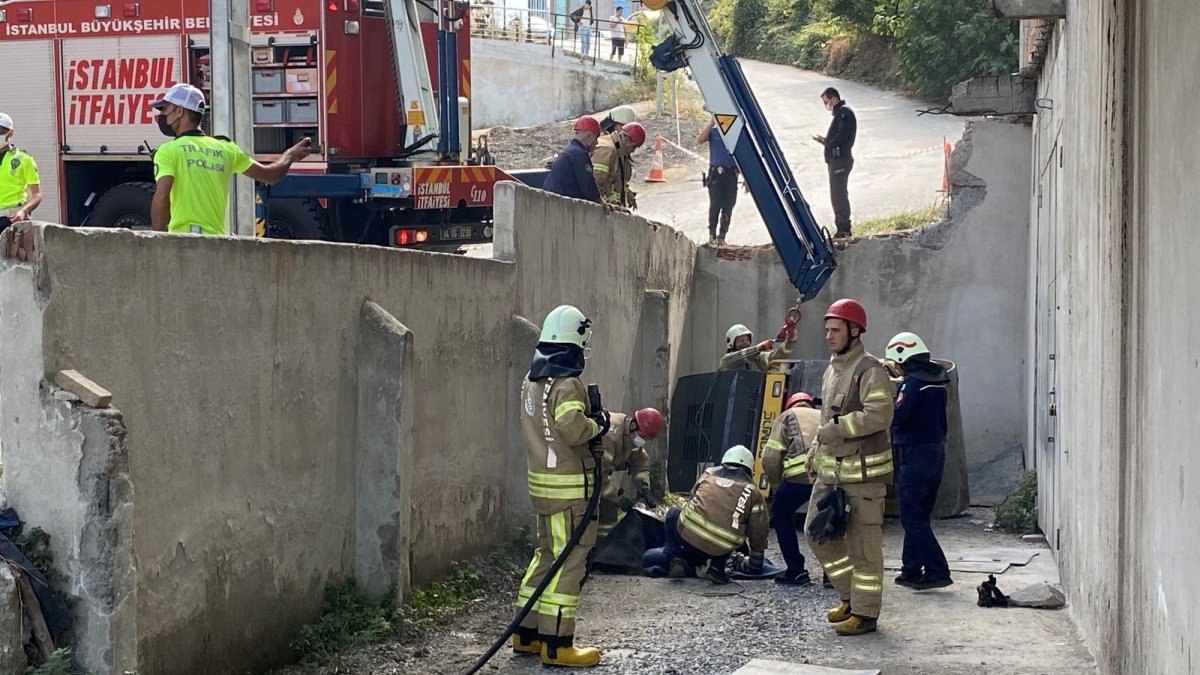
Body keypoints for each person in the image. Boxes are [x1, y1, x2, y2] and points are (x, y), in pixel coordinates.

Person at [514, 304, 610, 667]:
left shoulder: (532, 379)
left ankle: (527, 634)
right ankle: (557, 645)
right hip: (570, 493)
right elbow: (571, 428)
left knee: (546, 556)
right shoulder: (567, 383)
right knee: (569, 562)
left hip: (543, 489)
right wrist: (597, 425)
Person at [804, 298, 895, 636]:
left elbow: (880, 415)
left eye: (835, 330)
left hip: (864, 479)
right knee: (817, 534)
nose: (828, 336)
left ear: (855, 331)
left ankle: (866, 614)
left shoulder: (870, 370)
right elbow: (827, 419)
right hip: (832, 474)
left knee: (863, 548)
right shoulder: (833, 370)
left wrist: (839, 429)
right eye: (826, 330)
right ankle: (849, 598)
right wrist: (815, 449)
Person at [150, 83, 310, 235]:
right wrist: (290, 155)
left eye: (165, 109)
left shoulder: (168, 150)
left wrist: (158, 243)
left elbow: (162, 197)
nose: (161, 116)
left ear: (179, 111)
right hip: (217, 244)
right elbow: (271, 175)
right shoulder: (226, 148)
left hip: (183, 242)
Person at [886, 331, 953, 591]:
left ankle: (937, 570)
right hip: (935, 453)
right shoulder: (936, 382)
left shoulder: (912, 385)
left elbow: (898, 416)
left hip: (915, 455)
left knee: (912, 518)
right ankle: (911, 569)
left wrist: (890, 399)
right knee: (919, 515)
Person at [647, 445, 769, 585]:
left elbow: (692, 501)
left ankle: (677, 558)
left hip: (688, 539)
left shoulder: (708, 474)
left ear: (724, 461)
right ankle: (717, 568)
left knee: (673, 513)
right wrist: (756, 563)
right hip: (721, 549)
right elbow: (759, 531)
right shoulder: (753, 491)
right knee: (731, 535)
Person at [762, 391, 821, 586]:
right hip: (826, 476)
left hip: (799, 477)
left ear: (791, 405)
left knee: (780, 514)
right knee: (826, 520)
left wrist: (778, 486)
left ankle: (796, 570)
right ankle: (832, 575)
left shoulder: (786, 416)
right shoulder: (823, 415)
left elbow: (770, 458)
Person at [596, 407, 663, 541]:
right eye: (642, 437)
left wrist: (644, 488)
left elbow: (640, 460)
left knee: (608, 514)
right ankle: (594, 550)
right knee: (600, 511)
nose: (642, 441)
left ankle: (604, 548)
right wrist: (619, 499)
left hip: (598, 476)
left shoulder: (628, 433)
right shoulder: (610, 439)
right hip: (584, 476)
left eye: (645, 439)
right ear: (633, 425)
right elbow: (598, 478)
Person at [810, 87, 857, 239]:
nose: (826, 105)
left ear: (834, 99)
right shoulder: (841, 113)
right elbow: (837, 137)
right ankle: (841, 227)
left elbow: (842, 136)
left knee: (839, 194)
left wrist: (828, 142)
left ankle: (844, 228)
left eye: (826, 102)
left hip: (841, 160)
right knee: (836, 194)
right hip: (837, 160)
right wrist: (825, 141)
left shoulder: (844, 113)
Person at [542, 116, 608, 209]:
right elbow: (588, 187)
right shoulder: (579, 154)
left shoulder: (569, 151)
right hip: (562, 206)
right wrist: (602, 203)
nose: (596, 143)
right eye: (596, 138)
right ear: (589, 136)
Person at [696, 116, 738, 246]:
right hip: (716, 174)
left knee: (728, 206)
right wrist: (711, 122)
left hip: (731, 174)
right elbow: (699, 140)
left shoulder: (734, 135)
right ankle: (712, 236)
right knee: (715, 205)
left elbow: (743, 157)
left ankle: (722, 236)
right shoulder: (713, 133)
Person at [0, 113, 42, 234]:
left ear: (10, 133)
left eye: (1, 131)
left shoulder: (24, 159)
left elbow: (37, 195)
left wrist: (24, 211)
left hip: (12, 218)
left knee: (13, 252)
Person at [590, 122, 646, 209]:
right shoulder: (607, 150)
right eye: (633, 147)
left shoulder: (616, 149)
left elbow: (615, 181)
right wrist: (609, 205)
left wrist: (627, 195)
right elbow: (597, 183)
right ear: (628, 141)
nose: (632, 151)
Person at [719, 323, 796, 372]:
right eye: (741, 341)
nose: (746, 343)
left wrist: (790, 340)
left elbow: (776, 356)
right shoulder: (727, 361)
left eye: (747, 340)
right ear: (732, 344)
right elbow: (742, 355)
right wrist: (758, 348)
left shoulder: (757, 358)